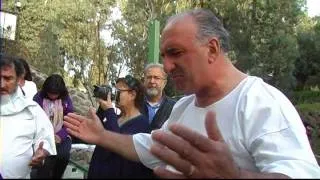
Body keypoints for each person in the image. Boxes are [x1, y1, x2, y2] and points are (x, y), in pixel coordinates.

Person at [64, 9, 320, 178]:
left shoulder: (260, 102)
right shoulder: (183, 107)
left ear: (212, 49)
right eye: (164, 56)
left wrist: (236, 177)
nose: (166, 66)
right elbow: (150, 147)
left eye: (175, 53)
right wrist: (101, 136)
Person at [0, 54, 56, 178]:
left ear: (19, 80)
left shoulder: (33, 110)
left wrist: (42, 151)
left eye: (8, 78)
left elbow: (44, 139)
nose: (2, 85)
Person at [88, 75, 154, 178]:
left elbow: (116, 144)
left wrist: (109, 111)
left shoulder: (141, 124)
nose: (114, 95)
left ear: (132, 95)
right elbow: (95, 132)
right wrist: (102, 109)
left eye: (118, 91)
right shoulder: (116, 118)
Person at [32, 74, 73, 178]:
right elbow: (33, 119)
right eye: (50, 93)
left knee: (63, 155)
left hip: (62, 135)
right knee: (46, 159)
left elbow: (70, 120)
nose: (53, 96)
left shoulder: (66, 100)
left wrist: (60, 135)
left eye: (56, 94)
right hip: (42, 136)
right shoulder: (38, 98)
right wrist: (47, 136)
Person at [142, 63, 176, 130]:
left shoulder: (174, 107)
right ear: (144, 81)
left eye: (156, 78)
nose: (152, 81)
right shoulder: (134, 104)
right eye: (149, 77)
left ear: (164, 83)